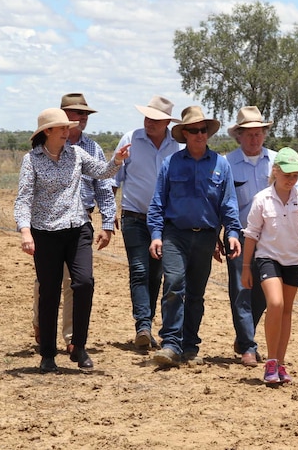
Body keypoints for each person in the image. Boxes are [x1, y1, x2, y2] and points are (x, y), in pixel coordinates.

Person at [15, 108, 130, 373]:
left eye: (69, 128)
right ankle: (47, 355)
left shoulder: (77, 154)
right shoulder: (31, 161)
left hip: (78, 228)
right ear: (47, 132)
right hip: (45, 232)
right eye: (63, 128)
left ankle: (78, 346)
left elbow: (102, 172)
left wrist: (117, 160)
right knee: (50, 291)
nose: (69, 132)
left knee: (84, 282)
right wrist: (25, 231)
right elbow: (23, 199)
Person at [147, 106, 243, 368]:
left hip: (205, 238)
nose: (200, 134)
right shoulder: (171, 164)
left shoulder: (221, 165)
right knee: (174, 285)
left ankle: (190, 346)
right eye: (194, 130)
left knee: (196, 294)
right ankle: (170, 343)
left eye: (204, 130)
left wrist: (232, 232)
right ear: (185, 134)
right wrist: (156, 235)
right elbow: (157, 203)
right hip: (174, 235)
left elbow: (228, 204)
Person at [31, 93, 116, 353]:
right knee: (47, 282)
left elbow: (104, 184)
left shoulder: (91, 149)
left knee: (76, 282)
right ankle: (42, 325)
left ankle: (71, 339)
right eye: (77, 113)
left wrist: (108, 222)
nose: (82, 118)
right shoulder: (37, 155)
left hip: (80, 221)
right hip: (48, 226)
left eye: (86, 114)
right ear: (61, 117)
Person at [241, 147, 298, 384]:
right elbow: (251, 235)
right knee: (276, 304)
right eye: (287, 174)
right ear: (275, 171)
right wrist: (246, 267)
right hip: (267, 258)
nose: (291, 180)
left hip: (293, 260)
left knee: (287, 310)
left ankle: (280, 363)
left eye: (295, 175)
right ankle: (270, 362)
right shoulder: (262, 199)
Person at [113, 96, 181, 351]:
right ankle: (143, 324)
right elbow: (114, 178)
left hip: (165, 223)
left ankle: (147, 325)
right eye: (147, 117)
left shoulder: (177, 146)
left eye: (155, 119)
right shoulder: (130, 139)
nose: (149, 122)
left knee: (157, 274)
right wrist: (109, 214)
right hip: (134, 216)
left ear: (167, 123)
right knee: (140, 270)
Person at [221, 106, 274, 367]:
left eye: (259, 133)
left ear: (264, 134)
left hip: (271, 239)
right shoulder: (226, 164)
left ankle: (244, 336)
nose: (254, 139)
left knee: (264, 293)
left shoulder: (277, 162)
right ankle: (249, 347)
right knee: (241, 289)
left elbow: (294, 195)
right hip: (239, 236)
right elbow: (220, 202)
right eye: (249, 134)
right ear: (238, 136)